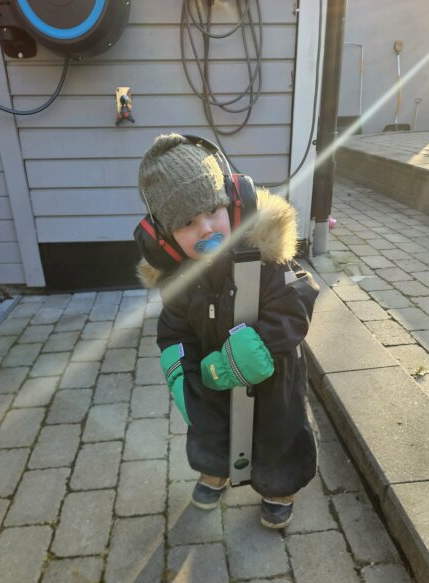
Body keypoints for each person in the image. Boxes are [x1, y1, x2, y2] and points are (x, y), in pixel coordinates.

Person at [136, 133, 319, 528]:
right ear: (163, 240)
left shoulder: (266, 257)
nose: (205, 228)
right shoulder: (180, 281)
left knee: (278, 430)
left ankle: (278, 486)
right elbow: (174, 332)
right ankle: (214, 468)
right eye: (186, 223)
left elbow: (299, 295)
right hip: (214, 372)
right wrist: (181, 372)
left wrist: (263, 345)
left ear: (236, 202)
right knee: (208, 423)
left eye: (212, 211)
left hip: (272, 373)